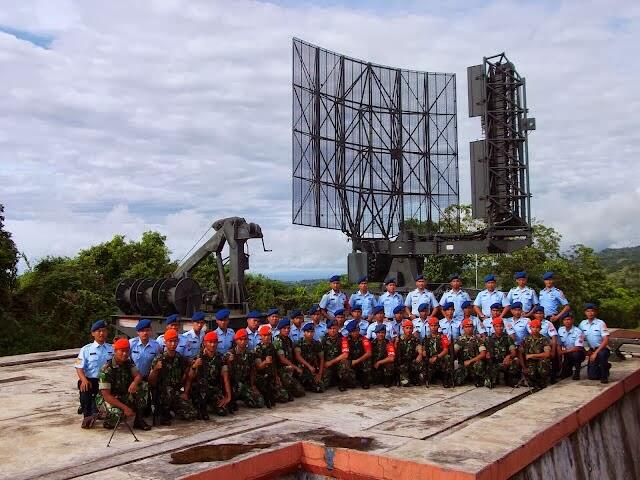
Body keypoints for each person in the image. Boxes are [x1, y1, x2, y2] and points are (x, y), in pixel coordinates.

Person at [96, 338, 150, 430]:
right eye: (122, 351)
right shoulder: (106, 369)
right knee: (118, 414)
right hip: (108, 399)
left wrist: (134, 382)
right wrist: (125, 408)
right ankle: (107, 418)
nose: (125, 354)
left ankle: (139, 420)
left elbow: (138, 376)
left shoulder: (128, 363)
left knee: (143, 385)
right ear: (115, 351)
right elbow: (107, 396)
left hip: (123, 394)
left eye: (127, 351)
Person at [148, 329, 197, 425]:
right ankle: (163, 412)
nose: (173, 344)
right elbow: (151, 382)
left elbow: (188, 376)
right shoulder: (159, 359)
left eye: (175, 341)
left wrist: (185, 393)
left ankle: (173, 409)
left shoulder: (180, 358)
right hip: (161, 393)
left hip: (175, 392)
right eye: (170, 341)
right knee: (168, 391)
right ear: (165, 342)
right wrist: (155, 370)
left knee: (191, 414)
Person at [75, 320, 114, 429]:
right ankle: (87, 416)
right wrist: (83, 379)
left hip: (107, 381)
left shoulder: (112, 349)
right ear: (93, 333)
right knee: (84, 388)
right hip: (91, 380)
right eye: (98, 331)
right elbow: (79, 367)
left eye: (104, 331)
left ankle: (106, 413)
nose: (101, 333)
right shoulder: (86, 349)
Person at [186, 331, 232, 419]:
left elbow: (225, 377)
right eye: (210, 342)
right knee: (200, 414)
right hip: (200, 390)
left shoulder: (220, 357)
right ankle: (201, 407)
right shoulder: (198, 357)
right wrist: (194, 366)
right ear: (205, 343)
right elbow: (190, 377)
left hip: (214, 389)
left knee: (223, 411)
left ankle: (210, 404)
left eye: (215, 342)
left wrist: (228, 396)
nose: (212, 345)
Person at [254, 325, 289, 408]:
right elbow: (258, 367)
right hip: (261, 377)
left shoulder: (272, 347)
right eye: (264, 335)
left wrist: (276, 376)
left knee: (285, 396)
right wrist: (265, 362)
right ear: (260, 336)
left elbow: (274, 364)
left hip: (271, 376)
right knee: (264, 398)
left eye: (268, 335)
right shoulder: (258, 348)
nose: (266, 338)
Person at [228, 329, 265, 409]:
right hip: (233, 385)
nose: (243, 342)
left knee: (259, 402)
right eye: (240, 339)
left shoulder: (251, 354)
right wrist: (229, 362)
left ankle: (244, 397)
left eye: (245, 339)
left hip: (245, 384)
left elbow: (253, 370)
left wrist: (253, 385)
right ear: (236, 340)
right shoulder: (230, 354)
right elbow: (226, 374)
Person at [272, 318, 305, 398]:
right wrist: (295, 367)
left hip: (289, 368)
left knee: (301, 392)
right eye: (284, 328)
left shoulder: (288, 340)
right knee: (291, 394)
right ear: (280, 329)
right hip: (280, 369)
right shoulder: (277, 340)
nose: (287, 330)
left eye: (288, 328)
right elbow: (282, 359)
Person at [579, 303, 611, 383]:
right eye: (588, 311)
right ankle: (606, 366)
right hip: (591, 350)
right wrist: (586, 351)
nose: (590, 313)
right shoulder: (582, 324)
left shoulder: (601, 323)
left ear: (595, 312)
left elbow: (606, 340)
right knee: (592, 376)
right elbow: (580, 338)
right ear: (585, 313)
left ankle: (604, 376)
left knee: (602, 354)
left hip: (602, 349)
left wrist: (595, 353)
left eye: (592, 311)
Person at [484, 317, 520, 388]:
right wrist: (487, 355)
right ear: (494, 327)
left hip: (505, 361)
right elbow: (485, 353)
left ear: (503, 327)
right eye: (497, 326)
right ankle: (492, 379)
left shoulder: (508, 338)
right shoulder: (488, 339)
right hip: (493, 363)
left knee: (515, 360)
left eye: (501, 326)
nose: (499, 328)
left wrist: (509, 356)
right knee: (489, 384)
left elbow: (513, 352)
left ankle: (509, 379)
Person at [528, 306, 559, 383]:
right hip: (533, 346)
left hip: (545, 346)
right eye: (537, 313)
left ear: (544, 314)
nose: (539, 315)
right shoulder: (530, 323)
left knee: (553, 356)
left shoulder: (548, 323)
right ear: (534, 315)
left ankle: (553, 376)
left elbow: (554, 338)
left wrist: (553, 351)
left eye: (541, 313)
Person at [453, 319, 487, 387]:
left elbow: (483, 354)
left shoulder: (478, 339)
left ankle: (477, 378)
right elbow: (455, 351)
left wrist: (470, 361)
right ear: (463, 328)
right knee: (457, 382)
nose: (468, 328)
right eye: (466, 327)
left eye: (470, 326)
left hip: (474, 364)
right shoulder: (459, 339)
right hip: (463, 364)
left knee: (479, 364)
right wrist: (454, 351)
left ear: (473, 328)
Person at [321, 320, 353, 391]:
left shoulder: (343, 339)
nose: (332, 330)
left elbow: (345, 354)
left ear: (338, 328)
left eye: (334, 328)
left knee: (345, 363)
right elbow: (320, 355)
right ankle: (332, 381)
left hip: (338, 363)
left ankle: (342, 383)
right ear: (327, 329)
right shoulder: (323, 339)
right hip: (327, 365)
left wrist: (331, 362)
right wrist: (323, 365)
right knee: (322, 387)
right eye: (330, 328)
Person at [521, 319, 551, 390]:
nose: (535, 329)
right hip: (530, 363)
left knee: (544, 362)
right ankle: (534, 381)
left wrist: (532, 355)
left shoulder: (544, 339)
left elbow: (547, 354)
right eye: (533, 327)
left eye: (537, 327)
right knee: (531, 374)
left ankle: (543, 380)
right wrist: (523, 367)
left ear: (540, 329)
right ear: (530, 328)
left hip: (540, 361)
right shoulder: (526, 339)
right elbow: (521, 354)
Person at [422, 317, 453, 387]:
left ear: (438, 326)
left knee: (447, 358)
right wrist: (428, 357)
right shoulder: (426, 338)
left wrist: (437, 357)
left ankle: (446, 379)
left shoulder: (443, 337)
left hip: (440, 359)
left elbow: (446, 350)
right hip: (430, 360)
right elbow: (423, 351)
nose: (433, 327)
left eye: (435, 325)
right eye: (431, 326)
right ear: (429, 326)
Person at [295, 323, 325, 393]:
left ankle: (309, 384)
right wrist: (309, 366)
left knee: (320, 388)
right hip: (302, 369)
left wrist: (320, 374)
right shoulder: (299, 343)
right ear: (304, 333)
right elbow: (298, 356)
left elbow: (321, 358)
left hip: (313, 369)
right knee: (300, 390)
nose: (310, 334)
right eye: (308, 332)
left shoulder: (317, 343)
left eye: (311, 332)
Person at [557, 311, 586, 380]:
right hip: (567, 353)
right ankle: (565, 370)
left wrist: (563, 352)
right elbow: (559, 343)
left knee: (576, 354)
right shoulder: (560, 330)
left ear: (572, 320)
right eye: (565, 320)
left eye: (568, 319)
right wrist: (559, 351)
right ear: (563, 321)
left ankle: (577, 371)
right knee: (564, 375)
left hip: (578, 353)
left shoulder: (578, 331)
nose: (567, 321)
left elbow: (577, 348)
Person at [346, 319, 372, 389]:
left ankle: (365, 381)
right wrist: (351, 362)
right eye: (353, 331)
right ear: (350, 332)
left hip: (361, 362)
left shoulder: (364, 339)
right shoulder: (346, 340)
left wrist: (357, 361)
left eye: (357, 330)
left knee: (367, 361)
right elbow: (344, 354)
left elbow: (368, 353)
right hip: (351, 362)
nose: (356, 333)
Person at [396, 320, 423, 386]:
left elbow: (419, 348)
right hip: (403, 364)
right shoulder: (398, 340)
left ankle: (414, 377)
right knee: (406, 384)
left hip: (412, 362)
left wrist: (420, 354)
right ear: (403, 329)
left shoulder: (415, 339)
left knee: (417, 382)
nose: (409, 330)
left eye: (410, 328)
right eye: (407, 328)